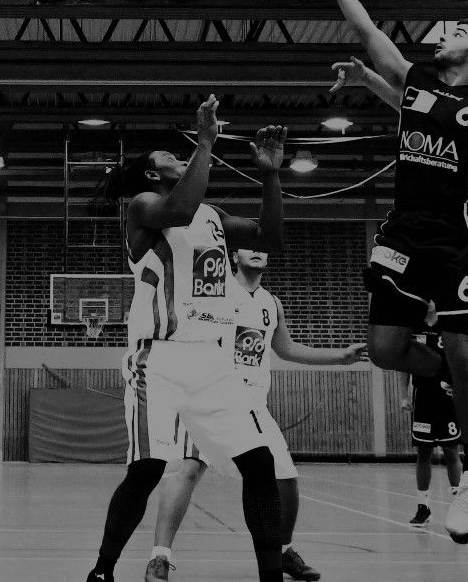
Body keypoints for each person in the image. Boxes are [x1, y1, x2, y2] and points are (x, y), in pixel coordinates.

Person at [316, 0, 468, 544]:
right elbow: (370, 32)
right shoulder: (419, 87)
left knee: (460, 342)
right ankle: (454, 376)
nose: (444, 35)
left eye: (458, 33)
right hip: (403, 231)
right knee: (383, 349)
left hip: (456, 240)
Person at [84, 99, 290, 582]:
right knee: (148, 469)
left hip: (213, 362)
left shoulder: (213, 215)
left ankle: (272, 577)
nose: (178, 160)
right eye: (168, 158)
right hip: (157, 360)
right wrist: (205, 142)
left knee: (259, 464)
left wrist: (272, 176)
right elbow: (180, 207)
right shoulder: (143, 208)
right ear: (152, 176)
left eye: (182, 156)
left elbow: (270, 237)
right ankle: (102, 569)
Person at [144, 235, 367, 582]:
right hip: (209, 395)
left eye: (263, 246)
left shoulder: (270, 303)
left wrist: (340, 356)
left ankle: (283, 553)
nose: (258, 250)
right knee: (188, 468)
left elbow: (287, 348)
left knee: (287, 480)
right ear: (234, 255)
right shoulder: (214, 291)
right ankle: (159, 557)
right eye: (250, 245)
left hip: (253, 407)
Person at [406, 331, 463, 527]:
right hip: (423, 398)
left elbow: (462, 357)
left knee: (451, 450)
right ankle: (423, 508)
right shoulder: (415, 327)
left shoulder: (448, 325)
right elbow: (405, 363)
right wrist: (404, 395)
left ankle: (460, 507)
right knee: (423, 452)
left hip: (447, 397)